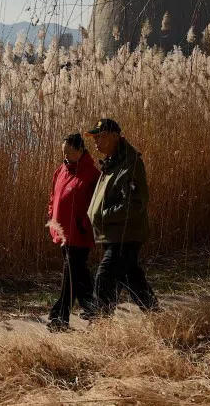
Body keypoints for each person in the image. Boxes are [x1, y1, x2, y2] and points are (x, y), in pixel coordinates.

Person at [85, 118, 158, 315]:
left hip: (125, 235)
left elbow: (135, 204)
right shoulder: (112, 162)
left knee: (105, 275)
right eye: (95, 137)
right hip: (114, 234)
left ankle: (100, 322)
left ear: (115, 136)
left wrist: (103, 216)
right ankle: (156, 316)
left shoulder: (130, 164)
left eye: (101, 136)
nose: (96, 141)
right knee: (131, 276)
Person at [46, 133, 100, 331]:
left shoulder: (92, 174)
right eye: (64, 152)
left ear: (81, 150)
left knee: (70, 274)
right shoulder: (61, 170)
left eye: (69, 152)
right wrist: (51, 215)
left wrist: (84, 224)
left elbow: (96, 205)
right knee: (78, 273)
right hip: (62, 231)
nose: (66, 156)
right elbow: (53, 196)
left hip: (80, 233)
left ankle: (59, 318)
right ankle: (94, 308)